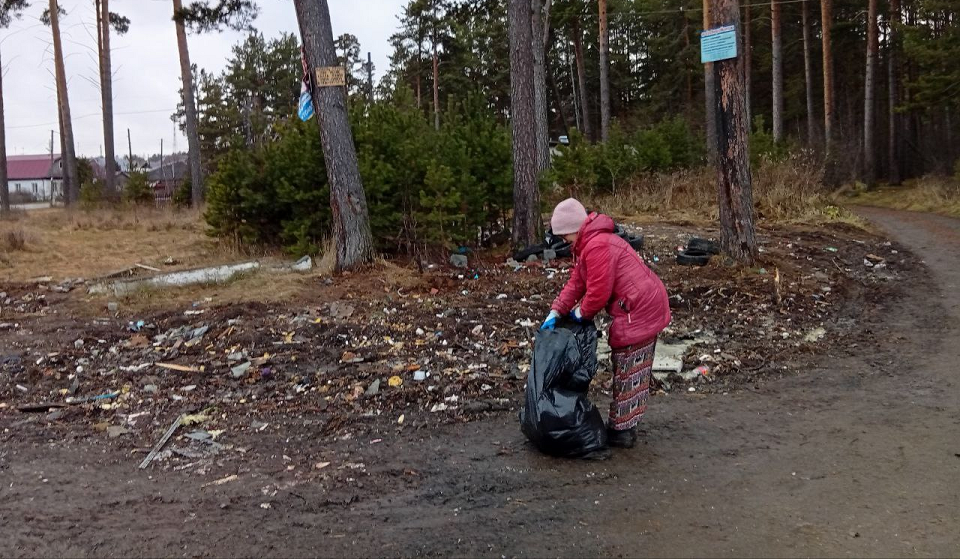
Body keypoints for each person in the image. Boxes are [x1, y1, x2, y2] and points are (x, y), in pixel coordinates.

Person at [541, 198, 671, 449]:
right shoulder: (588, 244)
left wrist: (581, 313)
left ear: (571, 229)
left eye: (563, 235)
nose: (563, 241)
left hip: (639, 309)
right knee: (630, 366)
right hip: (636, 307)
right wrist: (557, 311)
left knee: (629, 367)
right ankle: (626, 423)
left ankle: (622, 431)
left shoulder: (597, 246)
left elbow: (599, 291)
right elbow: (577, 283)